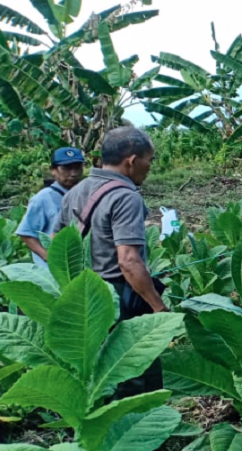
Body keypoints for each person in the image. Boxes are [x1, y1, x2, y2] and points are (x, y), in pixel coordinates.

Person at [55, 127, 167, 398]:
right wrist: (158, 306)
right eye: (149, 160)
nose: (150, 167)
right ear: (131, 160)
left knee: (102, 366)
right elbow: (128, 261)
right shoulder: (126, 197)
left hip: (87, 295)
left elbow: (57, 240)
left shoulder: (77, 191)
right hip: (120, 294)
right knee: (134, 366)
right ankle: (138, 433)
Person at [16, 147, 85, 267]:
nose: (73, 173)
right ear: (53, 170)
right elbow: (26, 233)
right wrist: (48, 257)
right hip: (54, 273)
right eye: (67, 168)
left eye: (77, 167)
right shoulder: (43, 198)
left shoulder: (87, 194)